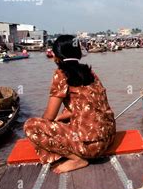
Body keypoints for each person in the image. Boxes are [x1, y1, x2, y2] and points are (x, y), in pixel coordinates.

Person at [24, 35, 116, 174]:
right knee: (63, 116)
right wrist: (63, 116)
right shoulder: (90, 73)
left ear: (56, 56)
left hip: (89, 147)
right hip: (108, 139)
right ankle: (79, 151)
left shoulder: (61, 74)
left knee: (30, 126)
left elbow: (49, 116)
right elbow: (89, 106)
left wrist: (48, 125)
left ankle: (77, 159)